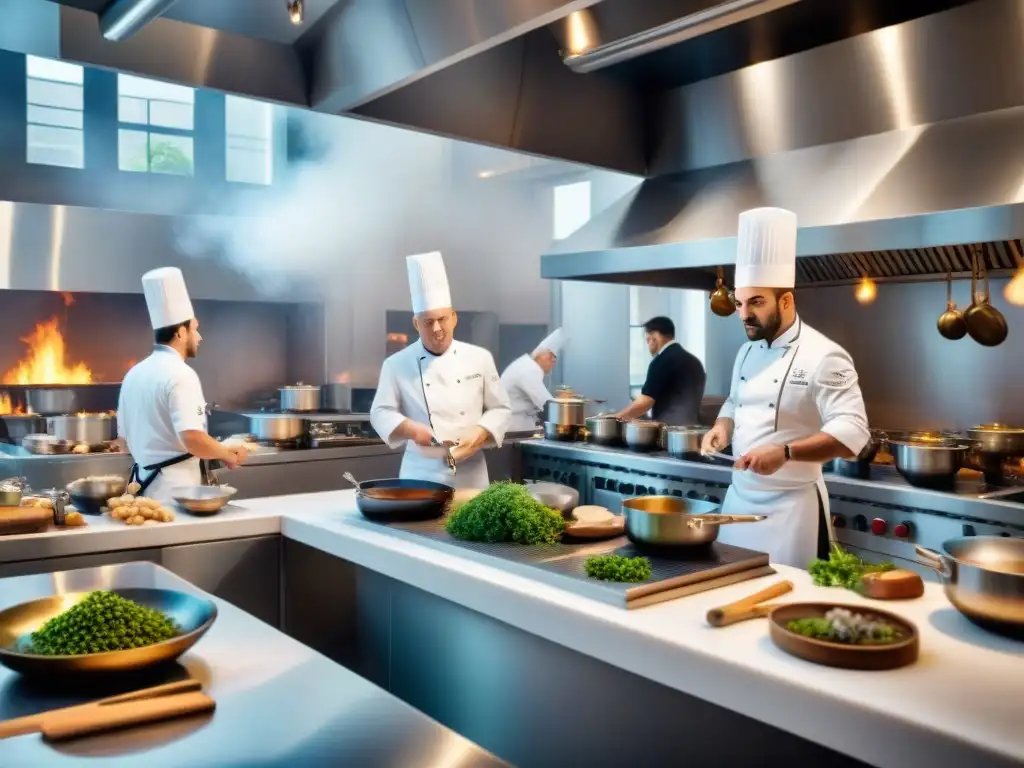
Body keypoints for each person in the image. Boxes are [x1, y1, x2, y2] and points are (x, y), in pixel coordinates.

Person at [700, 207, 869, 568]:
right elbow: (735, 400)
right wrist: (722, 426)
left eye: (756, 302)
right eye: (740, 303)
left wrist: (786, 452)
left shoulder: (825, 355)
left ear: (787, 300)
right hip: (739, 502)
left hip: (793, 508)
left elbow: (853, 432)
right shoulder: (746, 351)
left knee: (786, 604)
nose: (744, 314)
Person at [370, 251, 512, 488]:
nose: (437, 329)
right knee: (420, 526)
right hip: (420, 475)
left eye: (442, 319)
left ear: (454, 318)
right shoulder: (396, 364)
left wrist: (481, 431)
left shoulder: (480, 358)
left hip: (472, 476)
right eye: (427, 321)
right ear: (416, 323)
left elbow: (501, 408)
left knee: (470, 524)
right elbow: (380, 412)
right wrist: (411, 429)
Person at [117, 267, 248, 501]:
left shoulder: (134, 373)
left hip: (141, 487)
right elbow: (193, 439)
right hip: (175, 492)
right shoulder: (181, 374)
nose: (200, 337)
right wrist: (228, 455)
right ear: (180, 333)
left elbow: (123, 440)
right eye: (195, 329)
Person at [613, 317, 706, 426]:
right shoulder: (695, 362)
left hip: (668, 431)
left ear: (655, 337)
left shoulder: (661, 361)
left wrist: (616, 418)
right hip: (693, 429)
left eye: (647, 339)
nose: (648, 344)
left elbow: (645, 402)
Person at [500, 328, 566, 432]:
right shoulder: (528, 370)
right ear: (541, 356)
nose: (553, 362)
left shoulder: (526, 365)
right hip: (513, 430)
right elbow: (548, 405)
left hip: (518, 427)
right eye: (551, 357)